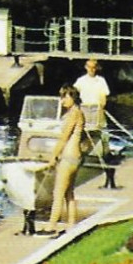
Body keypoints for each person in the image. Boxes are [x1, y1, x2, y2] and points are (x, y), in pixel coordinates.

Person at [44, 84, 87, 235]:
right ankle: (71, 224)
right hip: (76, 156)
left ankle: (51, 225)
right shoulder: (78, 113)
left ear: (72, 97)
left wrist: (53, 156)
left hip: (69, 156)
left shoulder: (73, 114)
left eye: (64, 97)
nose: (62, 101)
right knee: (69, 192)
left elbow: (63, 138)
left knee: (58, 192)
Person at [73, 58, 110, 133]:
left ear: (96, 68)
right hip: (84, 108)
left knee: (96, 131)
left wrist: (101, 109)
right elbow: (74, 95)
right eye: (89, 67)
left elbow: (104, 97)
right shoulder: (80, 80)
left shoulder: (101, 80)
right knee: (83, 130)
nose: (91, 69)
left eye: (93, 67)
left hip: (96, 109)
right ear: (86, 67)